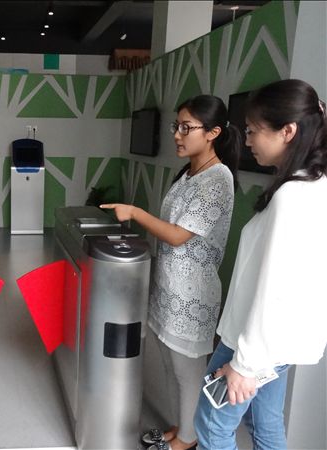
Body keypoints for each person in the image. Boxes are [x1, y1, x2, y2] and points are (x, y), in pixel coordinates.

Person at [101, 94, 242, 450]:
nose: (177, 135)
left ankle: (189, 439)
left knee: (186, 371)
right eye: (176, 126)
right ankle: (182, 428)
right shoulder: (189, 173)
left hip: (192, 294)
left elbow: (178, 235)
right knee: (169, 365)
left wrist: (134, 212)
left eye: (186, 128)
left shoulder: (217, 179)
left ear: (212, 132)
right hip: (168, 287)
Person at [193, 79, 327, 449]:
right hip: (277, 344)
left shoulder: (293, 196)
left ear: (288, 131)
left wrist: (245, 364)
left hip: (253, 343)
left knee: (212, 427)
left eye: (253, 131)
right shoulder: (314, 185)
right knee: (265, 426)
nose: (248, 140)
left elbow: (277, 289)